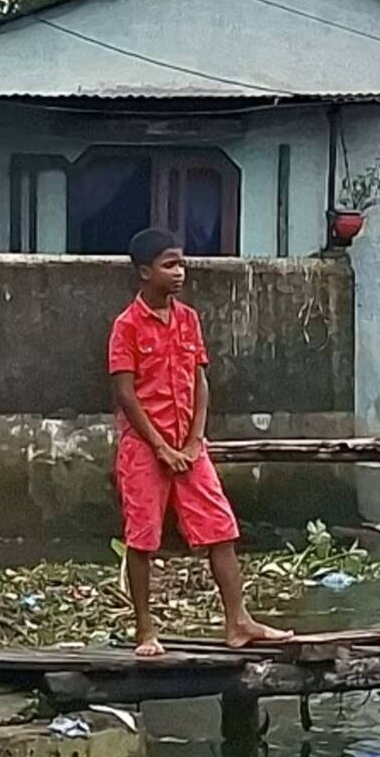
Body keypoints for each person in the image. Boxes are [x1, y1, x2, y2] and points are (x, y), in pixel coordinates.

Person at [108, 228, 287, 657]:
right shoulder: (126, 326)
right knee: (143, 539)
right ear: (144, 272)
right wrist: (160, 447)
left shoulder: (188, 319)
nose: (179, 272)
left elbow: (200, 382)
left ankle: (239, 621)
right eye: (169, 265)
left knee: (219, 528)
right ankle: (146, 630)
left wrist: (192, 441)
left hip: (189, 446)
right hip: (144, 446)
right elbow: (125, 393)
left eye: (181, 263)